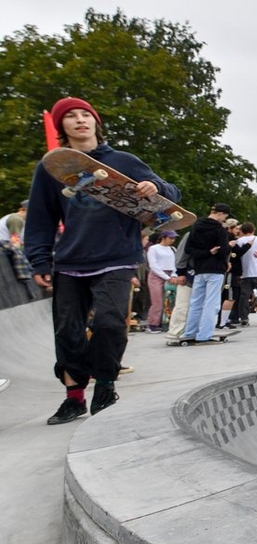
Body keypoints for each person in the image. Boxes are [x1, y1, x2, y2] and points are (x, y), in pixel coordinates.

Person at [25, 97, 181, 424]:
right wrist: (39, 261)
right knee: (67, 332)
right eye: (71, 117)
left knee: (110, 323)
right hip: (69, 260)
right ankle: (74, 398)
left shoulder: (123, 160)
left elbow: (171, 196)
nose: (80, 120)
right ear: (62, 127)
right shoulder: (52, 166)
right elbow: (40, 219)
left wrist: (155, 186)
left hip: (117, 257)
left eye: (86, 115)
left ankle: (106, 386)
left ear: (96, 122)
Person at [182, 204, 231, 343]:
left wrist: (205, 253)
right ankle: (204, 335)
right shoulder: (219, 229)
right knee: (212, 303)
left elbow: (188, 249)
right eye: (225, 216)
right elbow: (223, 250)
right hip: (215, 269)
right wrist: (224, 254)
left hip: (199, 268)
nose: (224, 219)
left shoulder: (196, 227)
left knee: (196, 302)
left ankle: (189, 332)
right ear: (221, 214)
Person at [236, 222, 257, 326]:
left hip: (246, 273)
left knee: (244, 297)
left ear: (242, 231)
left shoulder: (239, 241)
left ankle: (244, 318)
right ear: (253, 230)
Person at [145, 230, 178, 332]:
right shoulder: (154, 249)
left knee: (169, 300)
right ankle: (152, 323)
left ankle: (166, 322)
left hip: (170, 273)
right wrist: (166, 277)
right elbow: (153, 265)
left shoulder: (172, 249)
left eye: (173, 238)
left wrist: (173, 275)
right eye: (170, 238)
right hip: (157, 275)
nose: (172, 240)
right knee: (157, 301)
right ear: (163, 237)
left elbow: (174, 263)